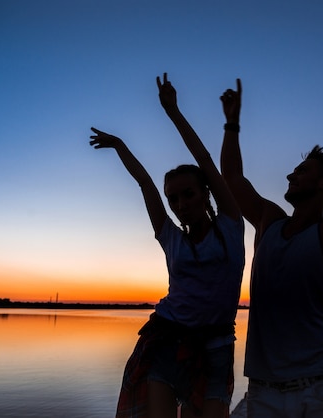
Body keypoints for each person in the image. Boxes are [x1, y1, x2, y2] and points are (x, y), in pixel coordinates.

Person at [220, 61, 323, 417]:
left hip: (320, 391)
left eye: (302, 171)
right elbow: (232, 176)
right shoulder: (268, 222)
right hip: (262, 392)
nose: (290, 174)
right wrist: (231, 123)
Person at [90, 73, 245, 418]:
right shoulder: (170, 237)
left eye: (188, 194)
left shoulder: (230, 227)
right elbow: (146, 183)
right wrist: (120, 146)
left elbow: (205, 160)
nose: (180, 204)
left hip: (217, 344)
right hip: (167, 338)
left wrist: (173, 112)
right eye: (173, 198)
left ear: (205, 193)